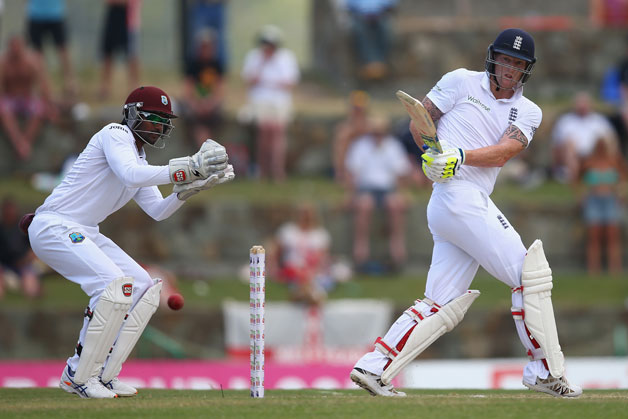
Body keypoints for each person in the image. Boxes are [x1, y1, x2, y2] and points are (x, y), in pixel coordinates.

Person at [350, 28, 582, 398]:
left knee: (441, 301)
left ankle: (374, 368)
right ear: (493, 57)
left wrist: (458, 157)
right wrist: (431, 155)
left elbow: (505, 151)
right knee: (529, 274)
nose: (510, 68)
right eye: (505, 59)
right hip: (456, 199)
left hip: (460, 200)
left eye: (518, 63)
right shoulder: (459, 81)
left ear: (527, 69)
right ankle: (544, 370)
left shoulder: (528, 111)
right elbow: (419, 121)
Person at [25, 85, 234, 398]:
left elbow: (158, 211)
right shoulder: (114, 134)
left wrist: (192, 187)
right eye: (155, 119)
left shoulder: (139, 154)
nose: (161, 127)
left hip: (84, 230)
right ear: (133, 115)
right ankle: (77, 374)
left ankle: (105, 374)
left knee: (142, 287)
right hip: (53, 225)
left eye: (165, 121)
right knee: (111, 286)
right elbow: (131, 175)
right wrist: (187, 168)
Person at [344, 114, 411, 271]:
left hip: (388, 189)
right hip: (365, 188)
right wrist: (351, 194)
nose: (377, 136)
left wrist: (402, 192)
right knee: (364, 205)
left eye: (380, 132)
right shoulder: (360, 146)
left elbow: (401, 173)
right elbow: (353, 173)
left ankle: (397, 249)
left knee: (395, 205)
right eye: (375, 132)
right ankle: (361, 251)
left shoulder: (393, 146)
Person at [241, 25, 300, 181]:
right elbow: (250, 80)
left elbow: (289, 82)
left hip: (280, 102)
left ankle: (277, 170)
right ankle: (263, 169)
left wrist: (267, 81)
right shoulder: (254, 57)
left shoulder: (286, 58)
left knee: (277, 131)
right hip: (260, 101)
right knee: (265, 131)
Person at [577, 137, 628, 276]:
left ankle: (614, 268)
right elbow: (578, 179)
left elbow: (623, 178)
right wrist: (581, 195)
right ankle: (594, 269)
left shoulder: (614, 161)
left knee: (612, 236)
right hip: (594, 200)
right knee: (594, 236)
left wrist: (621, 193)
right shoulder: (589, 162)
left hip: (610, 200)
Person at [0, 34, 54, 161]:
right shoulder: (3, 63)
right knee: (3, 109)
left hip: (27, 98)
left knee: (40, 109)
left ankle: (25, 142)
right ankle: (19, 142)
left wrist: (50, 105)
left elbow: (43, 85)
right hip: (10, 99)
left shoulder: (32, 62)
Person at [268, 203, 333, 306]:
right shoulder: (287, 231)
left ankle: (303, 294)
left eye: (308, 213)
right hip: (291, 270)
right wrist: (273, 268)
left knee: (315, 278)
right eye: (303, 213)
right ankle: (311, 295)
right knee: (302, 278)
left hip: (312, 271)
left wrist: (312, 270)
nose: (305, 216)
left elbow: (322, 258)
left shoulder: (320, 234)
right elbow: (274, 251)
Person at [550, 92, 616, 183]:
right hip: (572, 155)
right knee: (570, 144)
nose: (582, 106)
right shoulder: (565, 121)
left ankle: (607, 170)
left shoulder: (599, 121)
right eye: (579, 104)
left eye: (584, 103)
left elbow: (610, 142)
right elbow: (556, 145)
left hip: (594, 154)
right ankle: (574, 177)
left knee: (606, 140)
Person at [180, 28, 225, 149]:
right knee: (197, 123)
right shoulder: (192, 65)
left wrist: (211, 103)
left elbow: (219, 90)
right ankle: (207, 149)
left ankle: (206, 148)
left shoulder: (216, 65)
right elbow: (188, 90)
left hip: (211, 105)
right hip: (196, 105)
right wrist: (197, 104)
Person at [26, 0, 77, 97]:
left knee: (63, 50)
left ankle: (70, 83)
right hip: (36, 14)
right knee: (37, 53)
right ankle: (44, 86)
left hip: (56, 13)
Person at [343, 0, 397, 81]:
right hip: (359, 16)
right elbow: (348, 5)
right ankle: (369, 64)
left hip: (381, 15)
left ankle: (381, 63)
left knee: (386, 31)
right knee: (360, 32)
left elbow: (390, 4)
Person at [98, 0, 141, 100]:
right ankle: (105, 87)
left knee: (131, 54)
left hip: (129, 19)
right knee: (108, 52)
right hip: (113, 16)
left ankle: (135, 87)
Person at [0, 197, 41, 299]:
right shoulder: (1, 228)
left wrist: (25, 260)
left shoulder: (22, 228)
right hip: (5, 265)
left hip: (23, 264)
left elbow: (34, 248)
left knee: (29, 280)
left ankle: (34, 304)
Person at [332, 90, 370, 182]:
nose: (358, 112)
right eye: (356, 109)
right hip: (353, 166)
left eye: (359, 109)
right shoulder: (344, 130)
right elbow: (339, 152)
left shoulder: (371, 126)